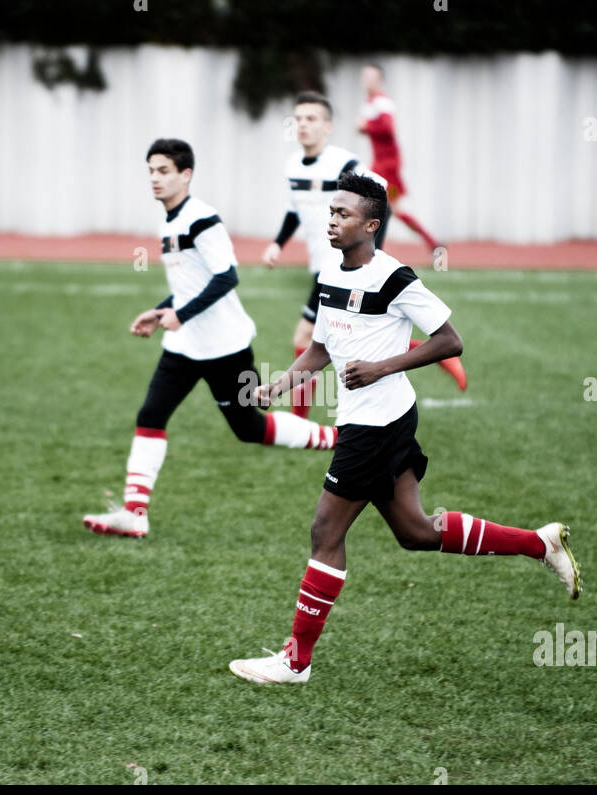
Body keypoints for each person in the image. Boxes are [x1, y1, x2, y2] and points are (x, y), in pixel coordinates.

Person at [229, 173, 580, 685]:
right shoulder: (330, 272)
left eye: (344, 214)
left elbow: (450, 341)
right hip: (374, 420)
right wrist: (281, 384)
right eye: (331, 211)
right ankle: (539, 544)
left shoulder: (395, 278)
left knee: (325, 531)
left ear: (371, 225)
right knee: (415, 532)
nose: (332, 220)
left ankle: (295, 662)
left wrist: (380, 367)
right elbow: (323, 347)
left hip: (376, 424)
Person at [82, 139, 337, 539]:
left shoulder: (202, 218)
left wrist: (180, 314)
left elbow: (226, 276)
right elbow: (189, 284)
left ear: (186, 175)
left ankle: (340, 439)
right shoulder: (168, 222)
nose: (155, 178)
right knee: (150, 416)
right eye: (151, 170)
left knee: (249, 427)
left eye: (164, 170)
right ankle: (135, 512)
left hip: (224, 346)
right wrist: (160, 311)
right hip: (184, 347)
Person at [263, 92, 465, 419]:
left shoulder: (345, 164)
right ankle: (437, 355)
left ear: (328, 127)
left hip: (341, 268)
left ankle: (299, 421)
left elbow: (379, 199)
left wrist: (371, 258)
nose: (303, 125)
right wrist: (277, 243)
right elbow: (292, 210)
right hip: (324, 267)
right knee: (343, 340)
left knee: (309, 337)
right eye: (298, 118)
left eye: (311, 118)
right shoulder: (292, 166)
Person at [357, 63, 443, 258]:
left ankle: (374, 252)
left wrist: (366, 126)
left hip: (387, 165)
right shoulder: (372, 102)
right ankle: (433, 243)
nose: (366, 81)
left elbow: (387, 128)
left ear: (379, 80)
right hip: (382, 163)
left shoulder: (381, 102)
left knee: (382, 205)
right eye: (365, 76)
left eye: (371, 77)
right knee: (391, 208)